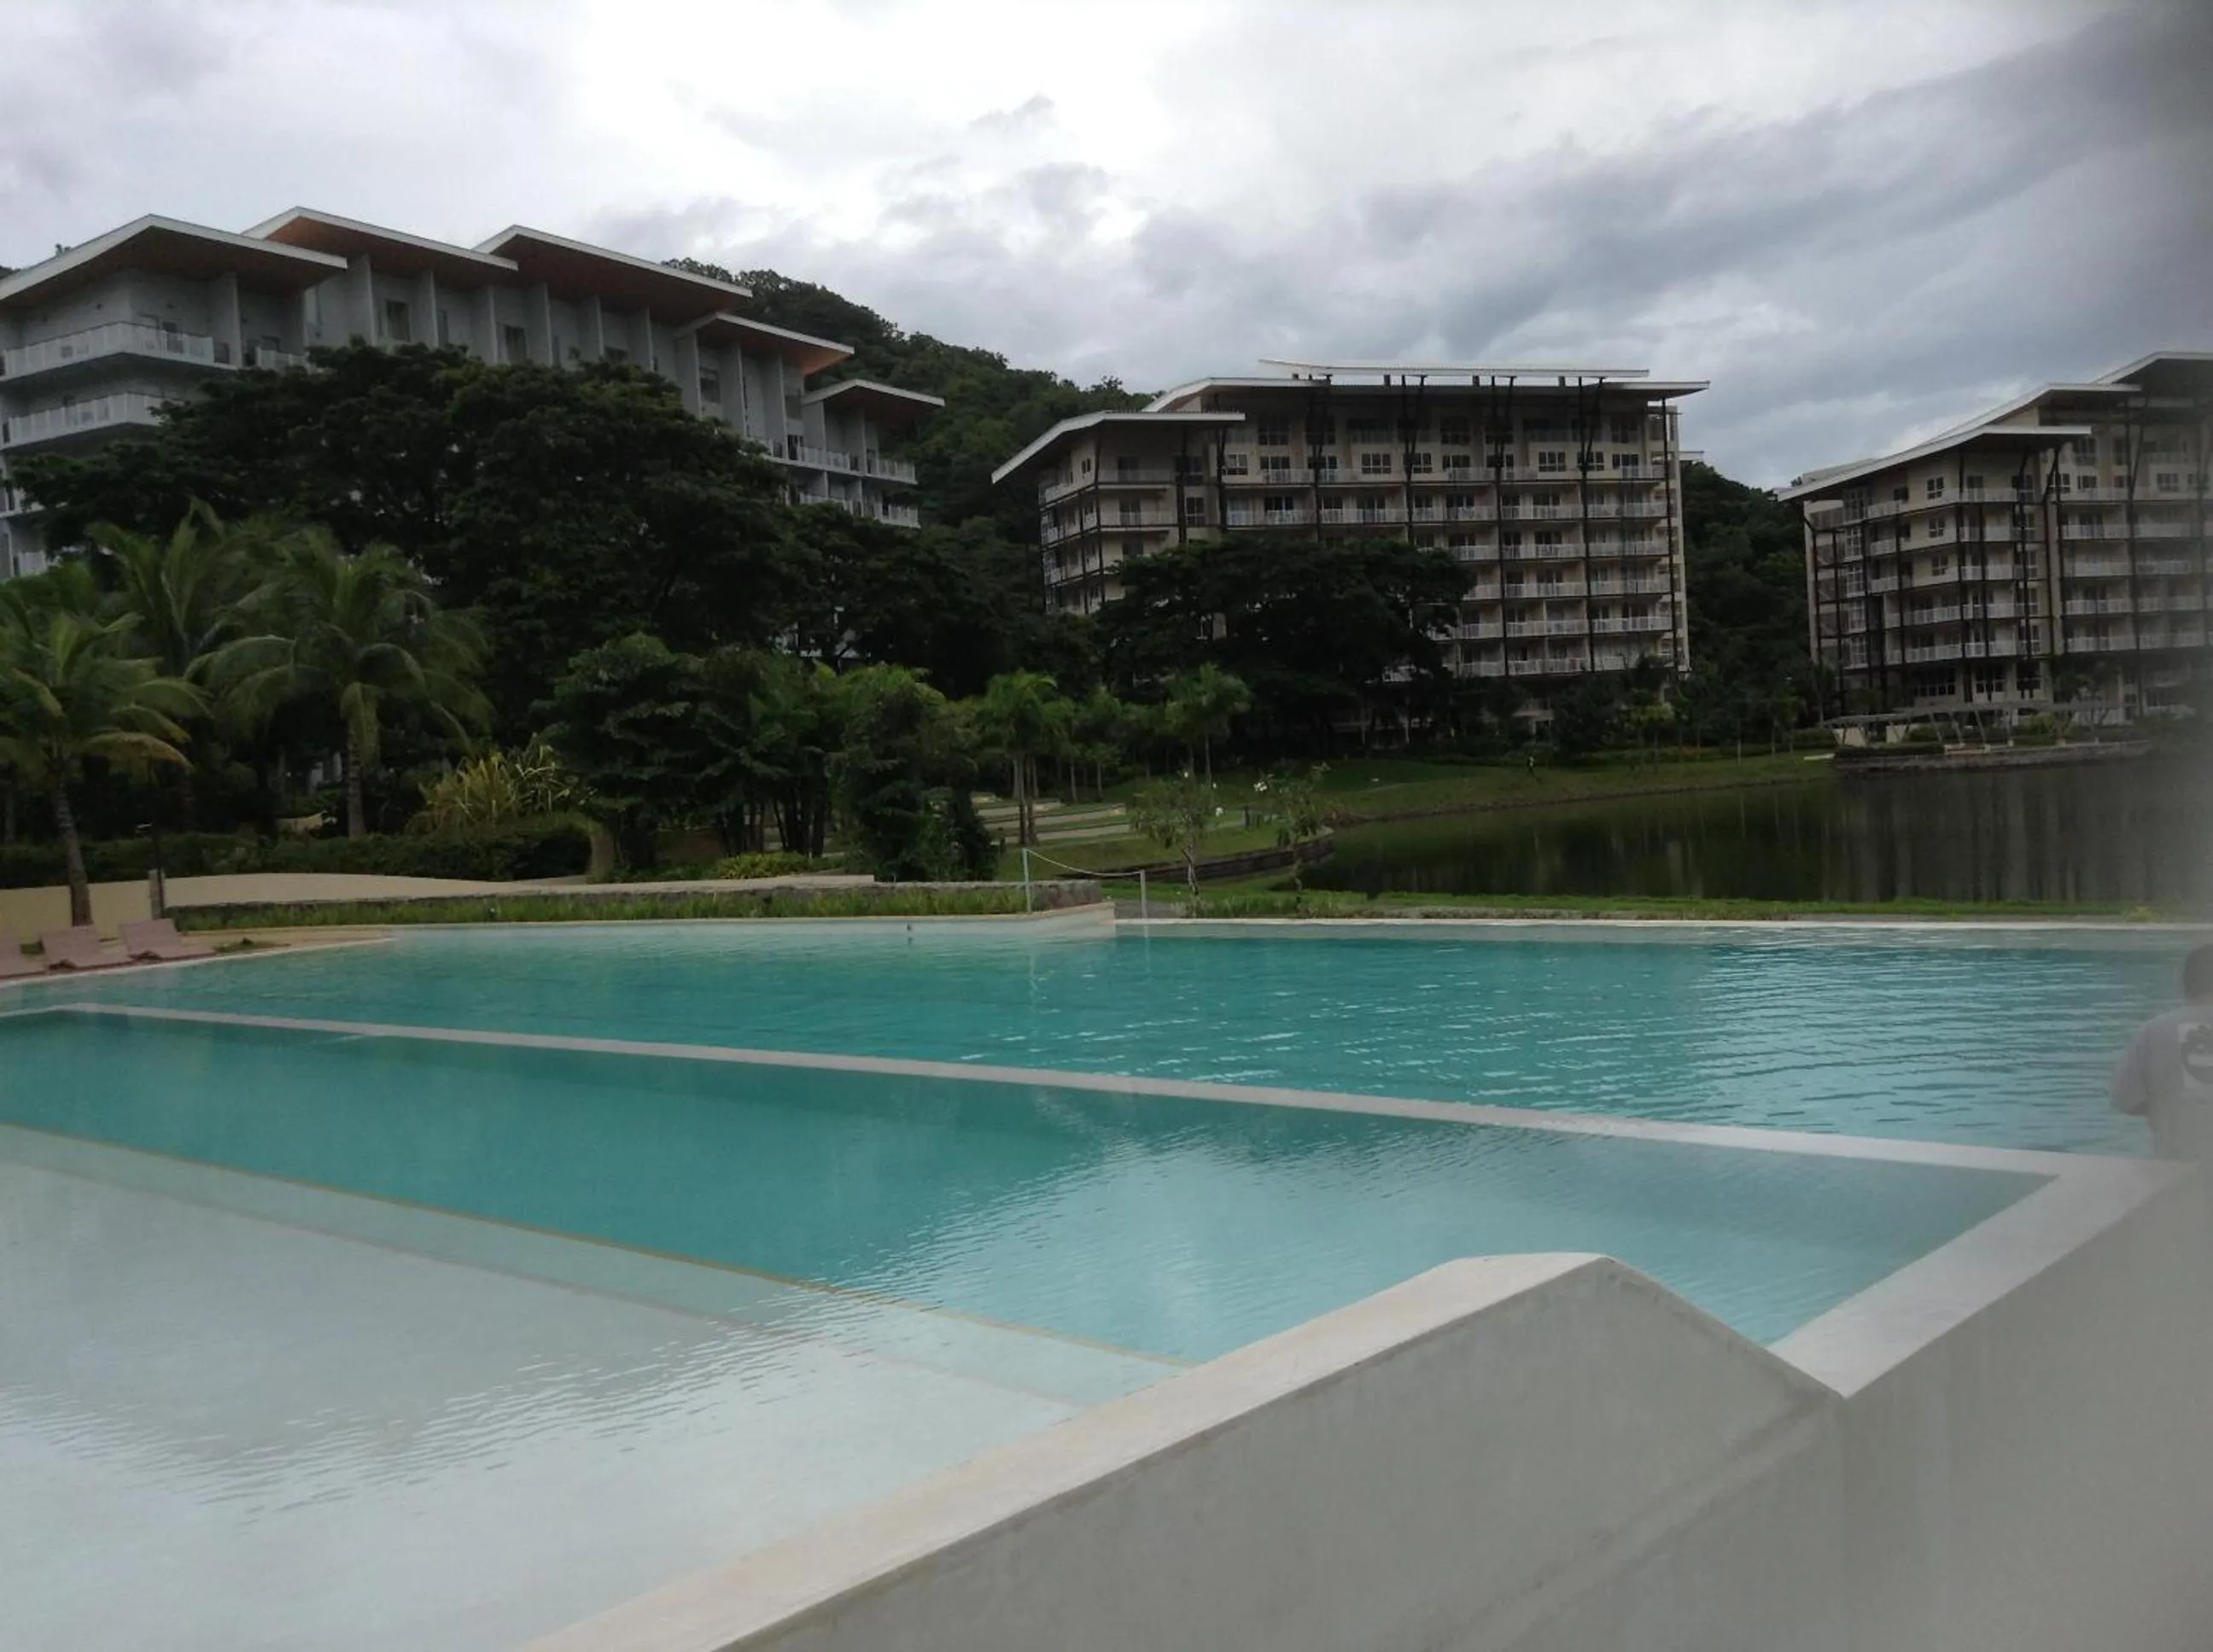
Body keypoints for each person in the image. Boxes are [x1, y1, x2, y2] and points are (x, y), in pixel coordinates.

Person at [2111, 946, 2213, 1161]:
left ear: (2186, 984)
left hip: (2177, 1165)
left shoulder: (2152, 1031)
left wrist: (2169, 1110)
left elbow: (2125, 1099)